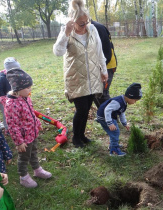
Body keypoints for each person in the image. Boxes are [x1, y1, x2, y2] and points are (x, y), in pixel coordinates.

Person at [53, 0, 108, 148]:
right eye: (81, 23)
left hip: (92, 76)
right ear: (72, 21)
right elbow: (58, 52)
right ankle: (76, 138)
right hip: (75, 77)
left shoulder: (92, 29)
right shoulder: (66, 32)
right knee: (81, 109)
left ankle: (82, 135)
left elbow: (99, 51)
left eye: (86, 21)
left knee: (88, 107)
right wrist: (65, 33)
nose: (85, 25)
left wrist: (103, 70)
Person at [0, 68, 52, 188]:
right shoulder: (12, 104)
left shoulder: (25, 97)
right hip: (23, 138)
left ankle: (37, 169)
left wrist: (37, 124)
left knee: (33, 152)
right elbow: (12, 125)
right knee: (24, 157)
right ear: (17, 89)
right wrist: (19, 142)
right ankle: (23, 177)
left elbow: (31, 113)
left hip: (31, 133)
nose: (30, 89)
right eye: (28, 88)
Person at [96, 83, 142, 156]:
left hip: (109, 116)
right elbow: (107, 110)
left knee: (114, 132)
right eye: (135, 100)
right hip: (104, 117)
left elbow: (121, 113)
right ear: (130, 97)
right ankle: (114, 151)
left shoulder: (123, 102)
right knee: (115, 132)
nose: (135, 102)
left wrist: (124, 123)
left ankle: (112, 145)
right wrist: (110, 123)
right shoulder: (118, 102)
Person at [91, 20, 117, 108]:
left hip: (108, 65)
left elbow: (107, 52)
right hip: (97, 65)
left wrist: (103, 69)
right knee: (95, 93)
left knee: (102, 93)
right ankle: (104, 115)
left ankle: (112, 117)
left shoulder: (98, 28)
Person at [0, 57, 21, 133]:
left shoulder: (17, 75)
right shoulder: (3, 77)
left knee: (16, 113)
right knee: (7, 114)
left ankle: (18, 126)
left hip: (15, 98)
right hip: (4, 100)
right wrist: (3, 99)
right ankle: (8, 129)